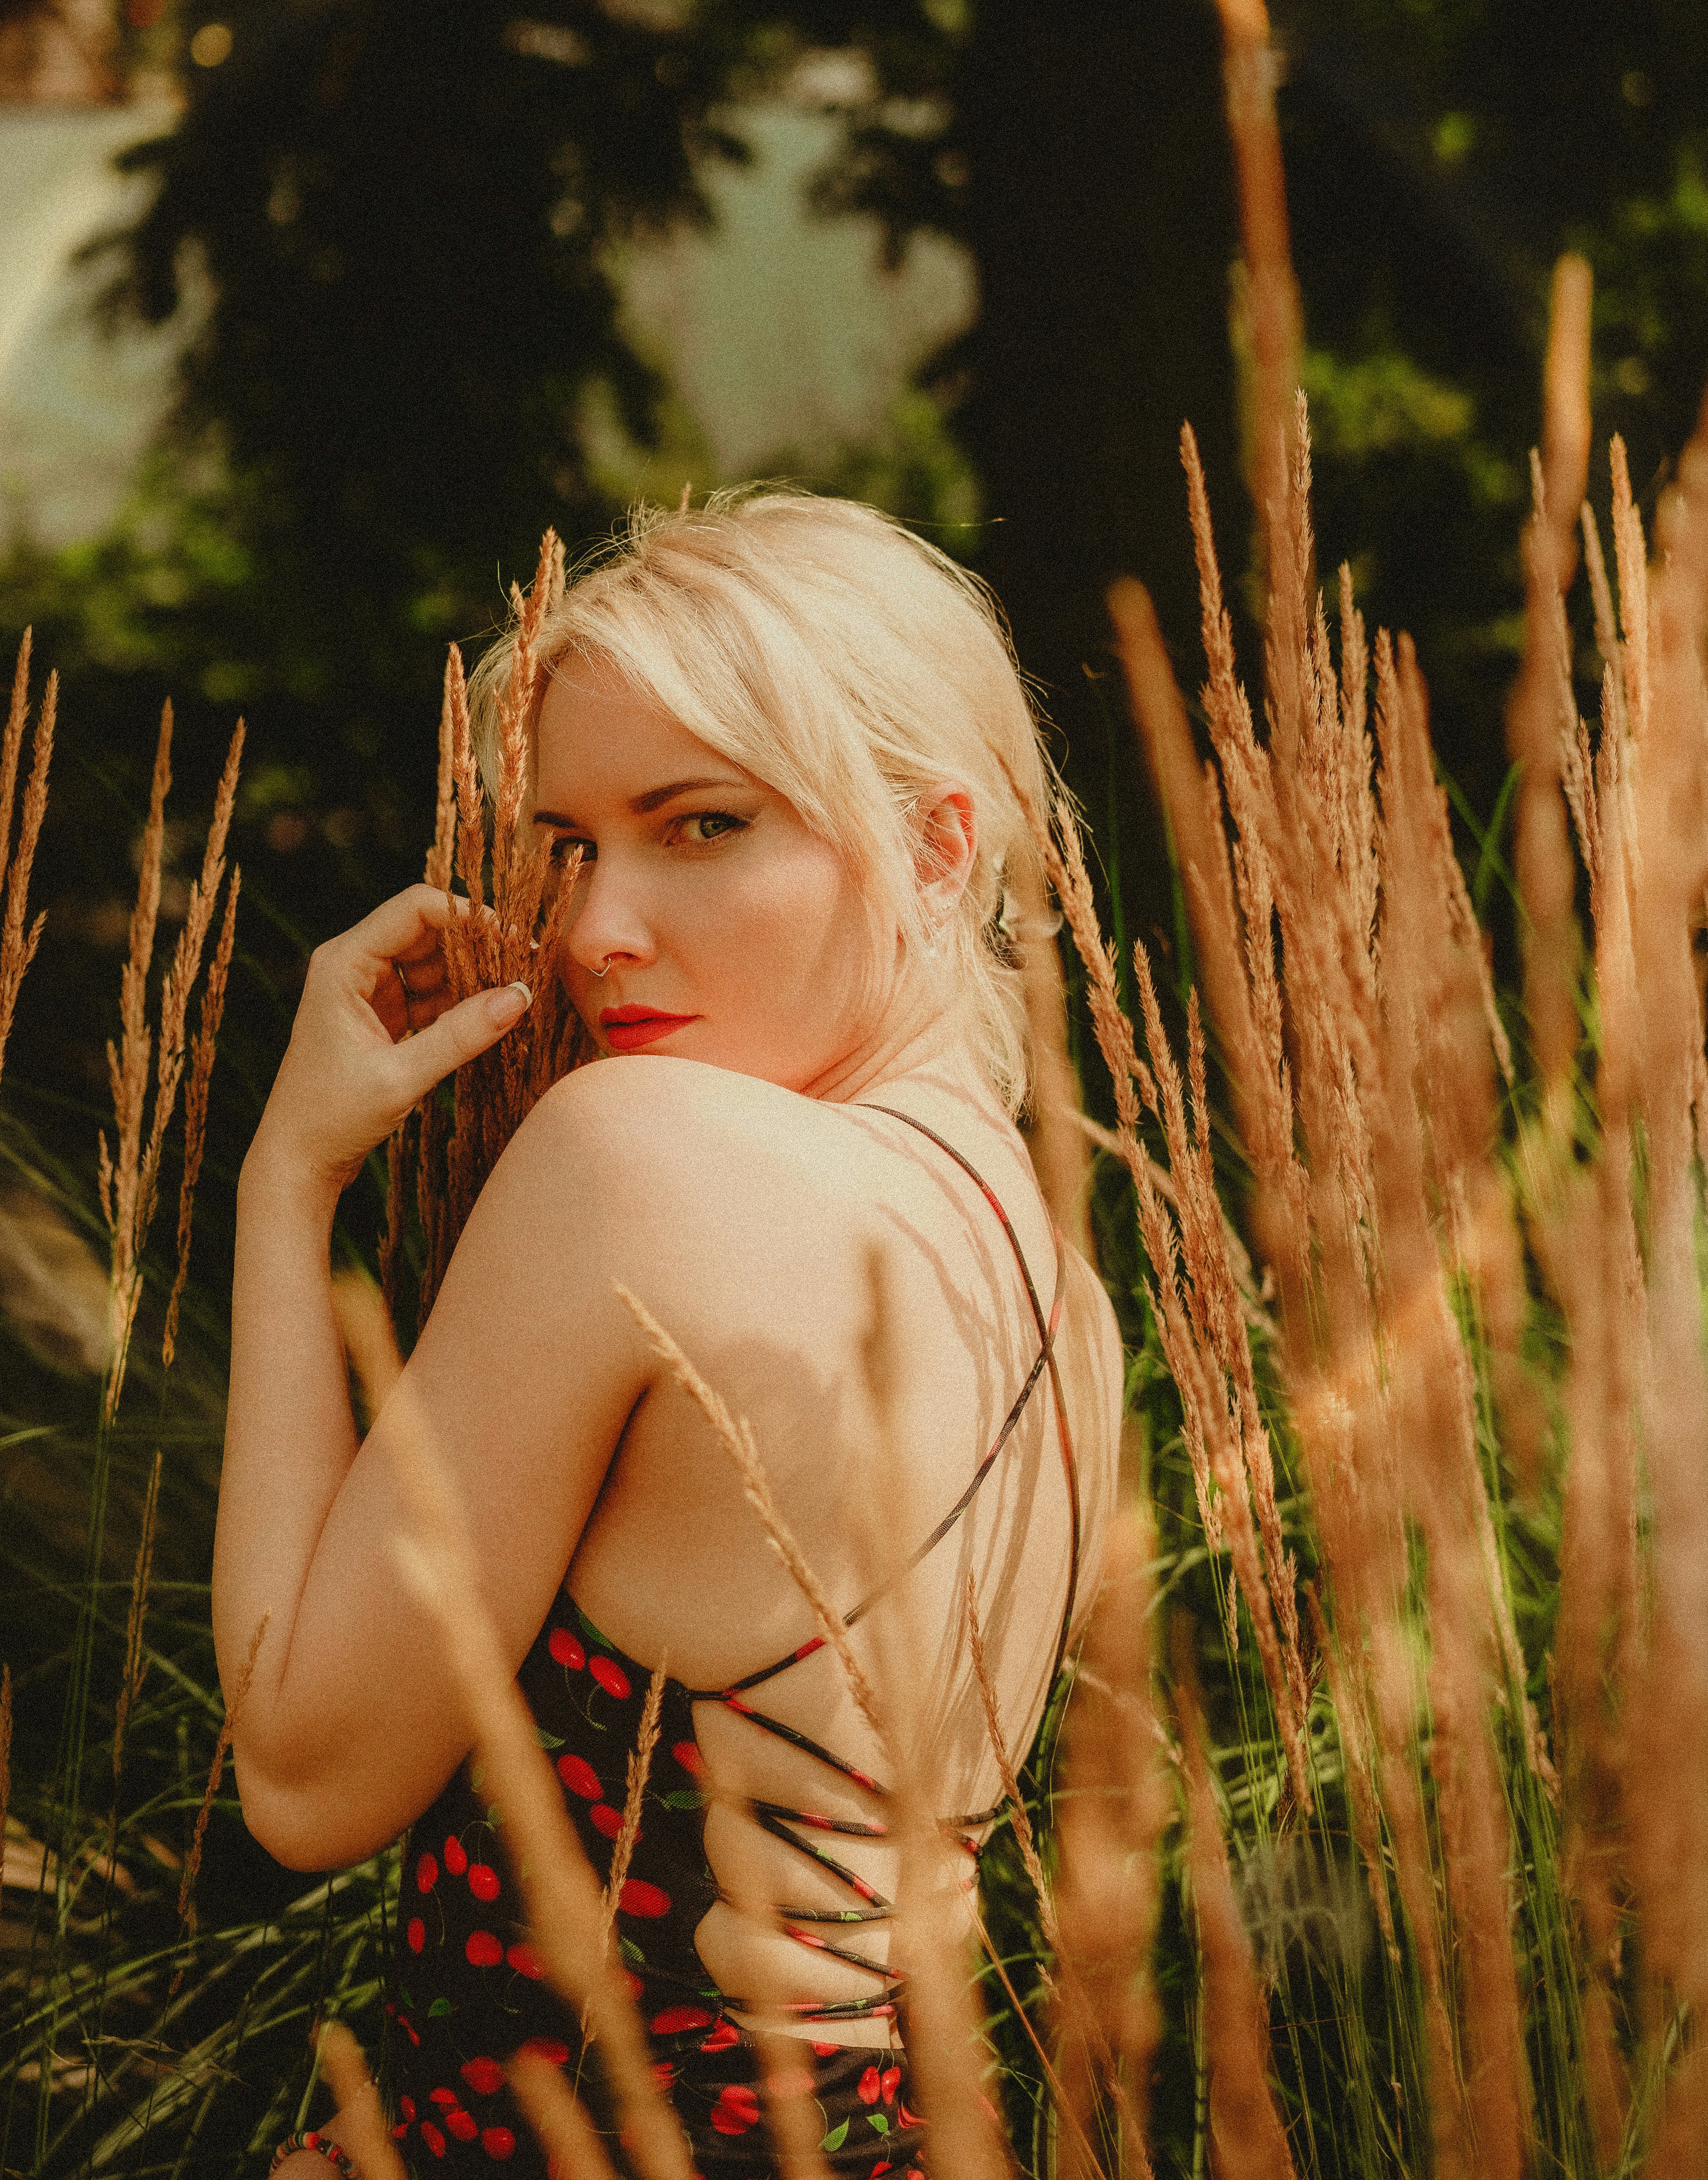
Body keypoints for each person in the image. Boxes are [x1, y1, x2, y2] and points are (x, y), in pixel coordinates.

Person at [215, 490, 1124, 2178]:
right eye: (574, 843)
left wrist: (288, 1177)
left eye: (697, 827)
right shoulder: (1065, 1307)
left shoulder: (634, 1154)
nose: (591, 932)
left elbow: (299, 1773)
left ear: (939, 844)